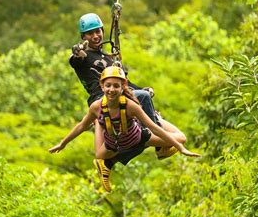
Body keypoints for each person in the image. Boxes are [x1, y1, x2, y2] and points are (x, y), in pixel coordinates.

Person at [67, 13, 177, 189]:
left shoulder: (109, 58)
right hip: (103, 98)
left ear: (103, 31)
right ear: (83, 37)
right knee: (143, 100)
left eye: (97, 31)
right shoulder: (84, 57)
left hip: (119, 96)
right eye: (90, 33)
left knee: (139, 136)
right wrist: (78, 50)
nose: (95, 36)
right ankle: (160, 146)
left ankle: (109, 164)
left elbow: (124, 83)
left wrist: (143, 88)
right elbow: (75, 59)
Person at [49, 66, 201, 191]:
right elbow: (81, 126)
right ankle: (98, 123)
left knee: (181, 138)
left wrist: (180, 148)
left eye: (116, 86)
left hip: (140, 139)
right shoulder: (96, 107)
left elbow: (153, 128)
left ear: (123, 87)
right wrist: (63, 143)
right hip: (112, 145)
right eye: (108, 85)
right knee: (99, 154)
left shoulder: (131, 107)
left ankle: (158, 117)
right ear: (102, 86)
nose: (112, 89)